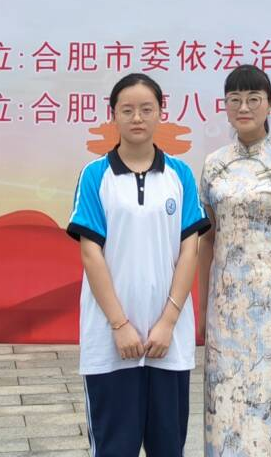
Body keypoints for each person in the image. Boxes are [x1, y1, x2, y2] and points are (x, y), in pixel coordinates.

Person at [66, 73, 210, 457]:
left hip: (168, 342)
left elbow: (190, 251)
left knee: (168, 448)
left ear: (161, 113)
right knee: (114, 448)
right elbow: (91, 254)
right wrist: (120, 325)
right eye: (127, 110)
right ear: (112, 114)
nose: (137, 118)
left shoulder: (180, 175)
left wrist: (167, 323)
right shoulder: (95, 175)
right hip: (110, 343)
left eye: (147, 109)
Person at [198, 64, 271, 456]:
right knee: (224, 408)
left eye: (253, 99)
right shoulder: (214, 165)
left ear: (270, 104)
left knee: (269, 404)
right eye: (235, 100)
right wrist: (204, 308)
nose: (243, 107)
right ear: (225, 106)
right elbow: (208, 239)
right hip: (224, 312)